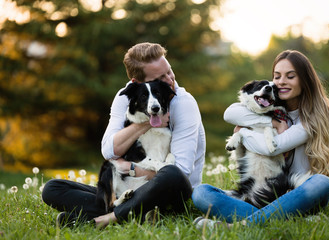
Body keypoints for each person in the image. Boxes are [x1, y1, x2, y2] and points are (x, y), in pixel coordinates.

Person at [42, 42, 206, 228]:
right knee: (53, 188)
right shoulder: (126, 96)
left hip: (169, 195)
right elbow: (109, 150)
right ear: (137, 84)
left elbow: (181, 171)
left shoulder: (184, 104)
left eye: (169, 71)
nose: (170, 80)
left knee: (171, 173)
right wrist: (144, 123)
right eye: (160, 77)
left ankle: (106, 219)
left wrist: (128, 167)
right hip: (127, 191)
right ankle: (138, 213)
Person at [192, 50, 329, 229]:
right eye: (277, 76)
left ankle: (239, 225)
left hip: (298, 194)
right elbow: (230, 113)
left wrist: (244, 133)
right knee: (201, 193)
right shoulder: (272, 108)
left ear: (304, 80)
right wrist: (273, 122)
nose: (281, 81)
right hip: (261, 194)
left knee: (322, 182)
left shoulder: (312, 118)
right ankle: (280, 219)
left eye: (290, 76)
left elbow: (271, 148)